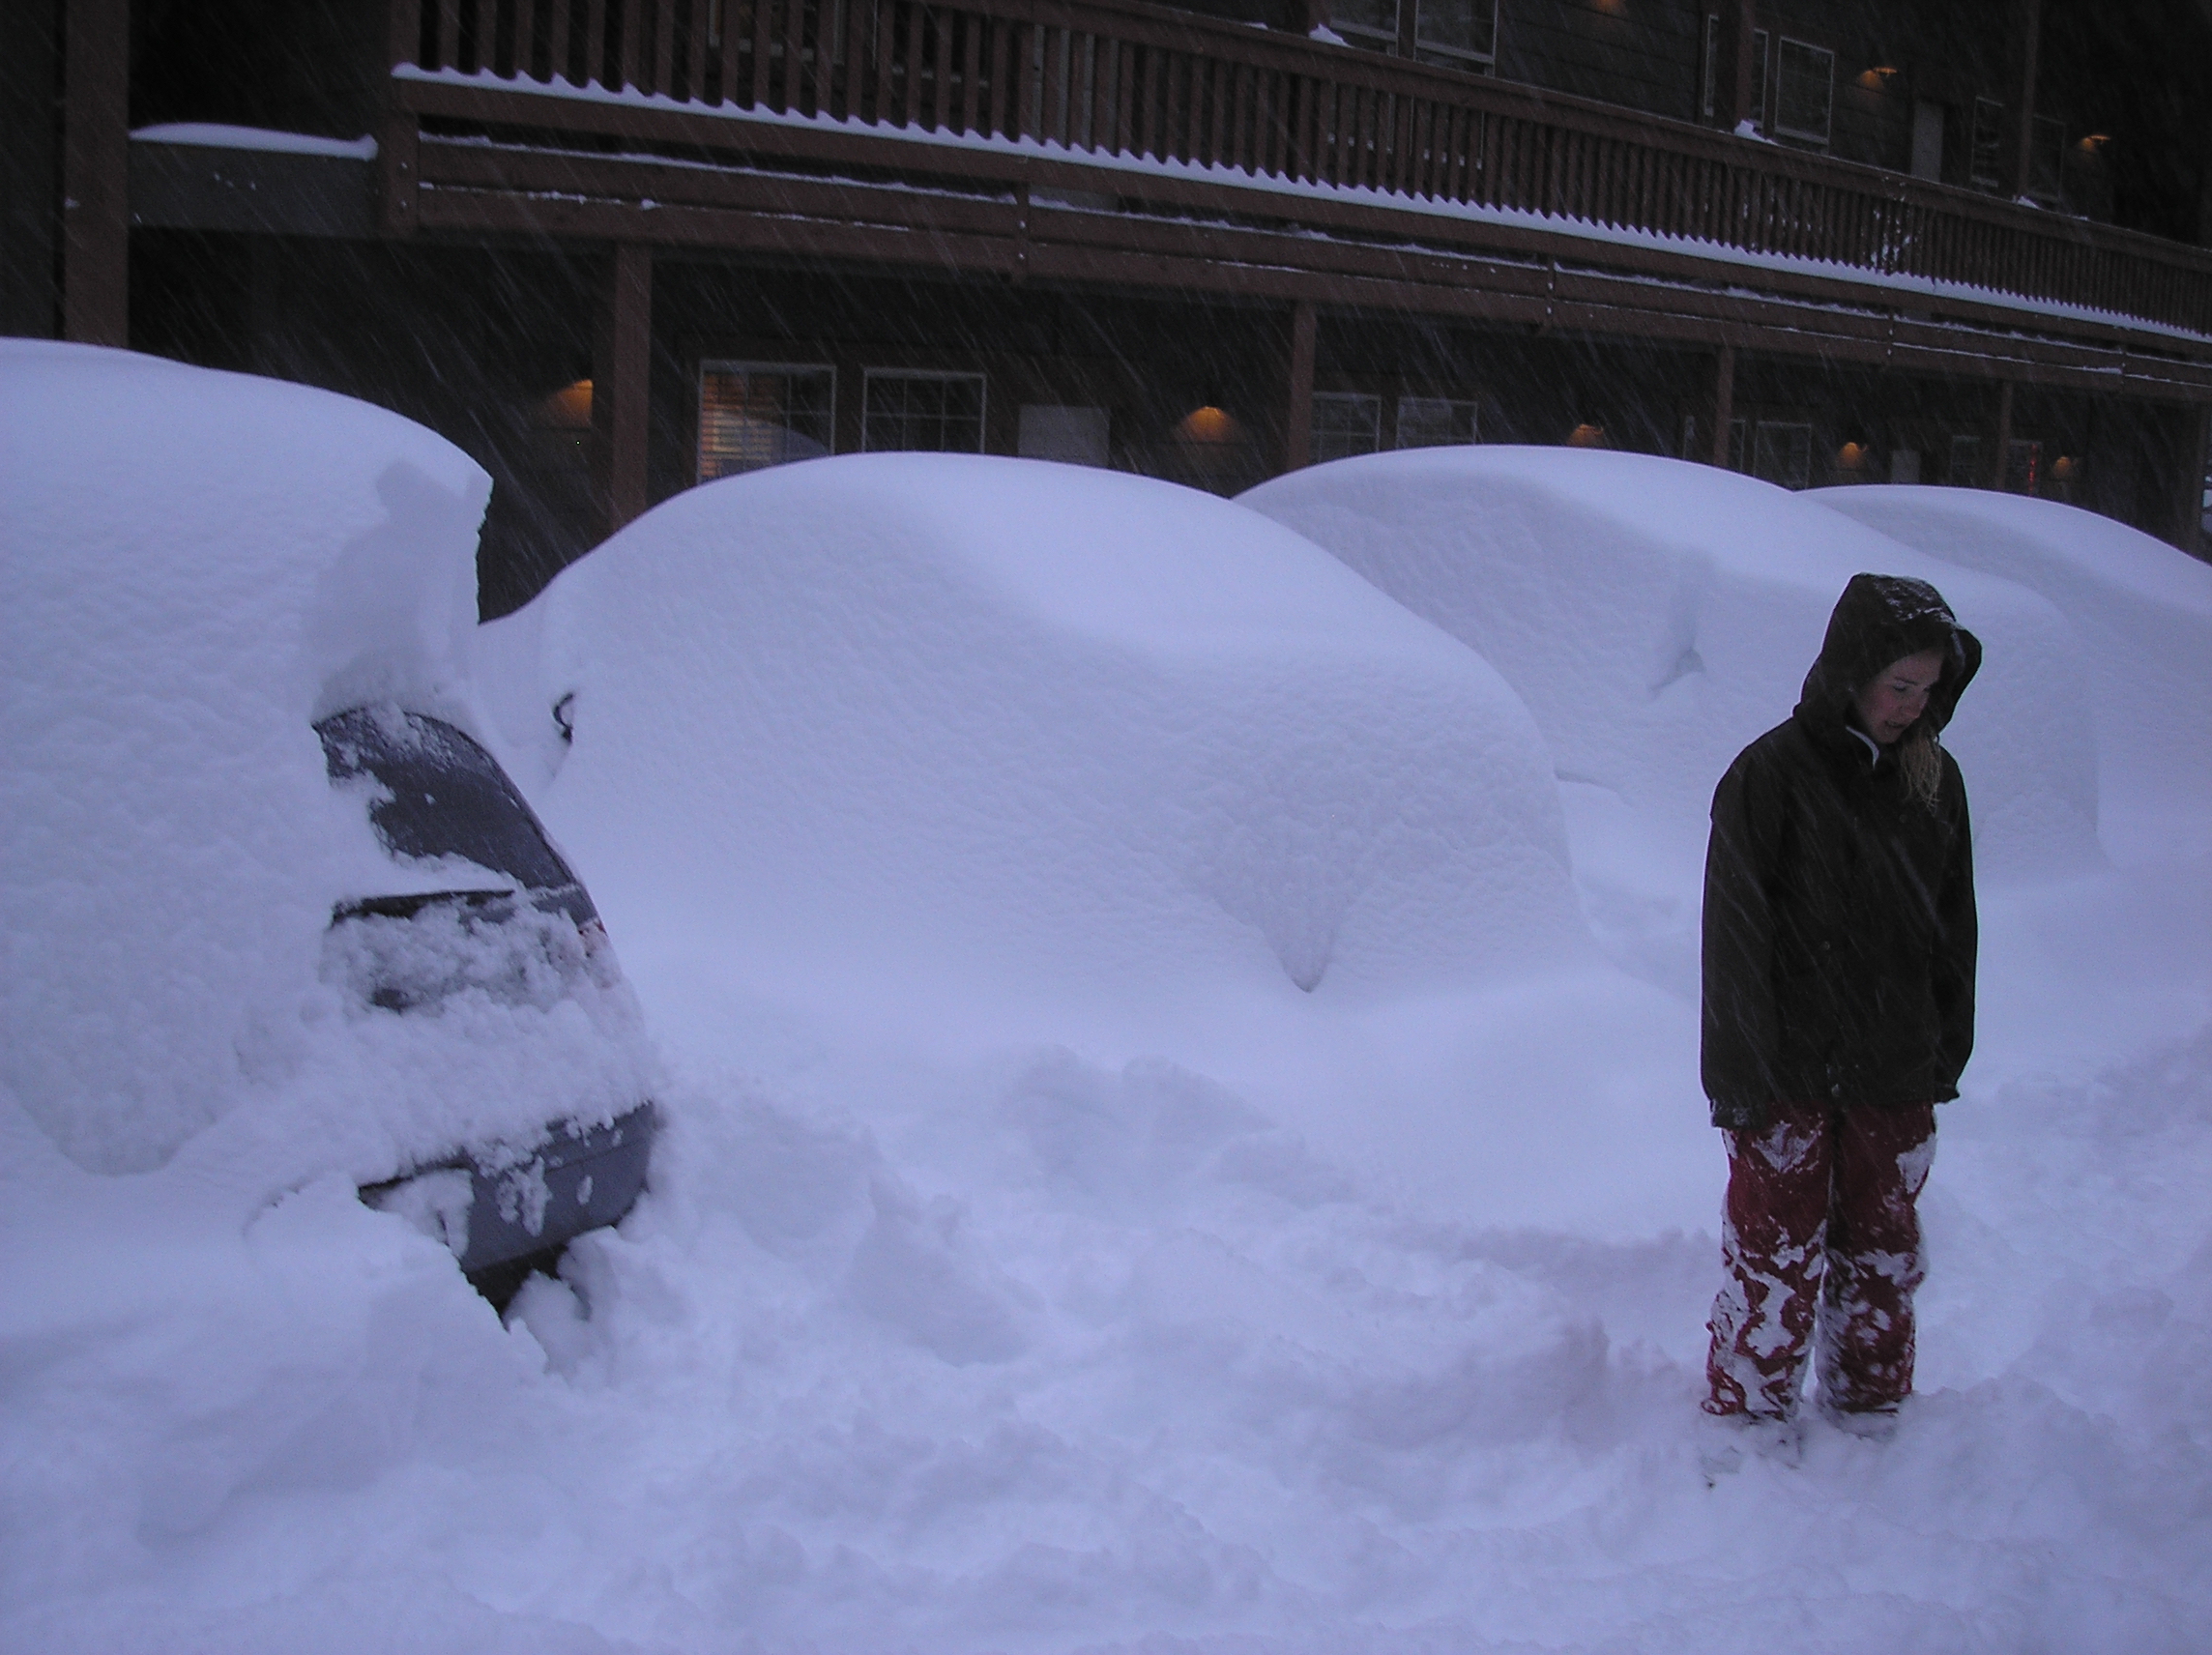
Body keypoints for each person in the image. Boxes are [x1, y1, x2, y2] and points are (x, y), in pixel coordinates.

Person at [1699, 572, 1981, 1441]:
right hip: (1787, 1067)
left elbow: (1954, 924)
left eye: (1929, 690)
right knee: (1773, 1247)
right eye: (1900, 686)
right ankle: (1747, 1413)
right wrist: (1739, 1076)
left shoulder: (1935, 781)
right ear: (1853, 672)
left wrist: (1945, 1050)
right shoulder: (1771, 775)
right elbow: (1735, 938)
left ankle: (1870, 1411)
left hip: (1894, 1064)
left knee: (1883, 1248)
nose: (1911, 707)